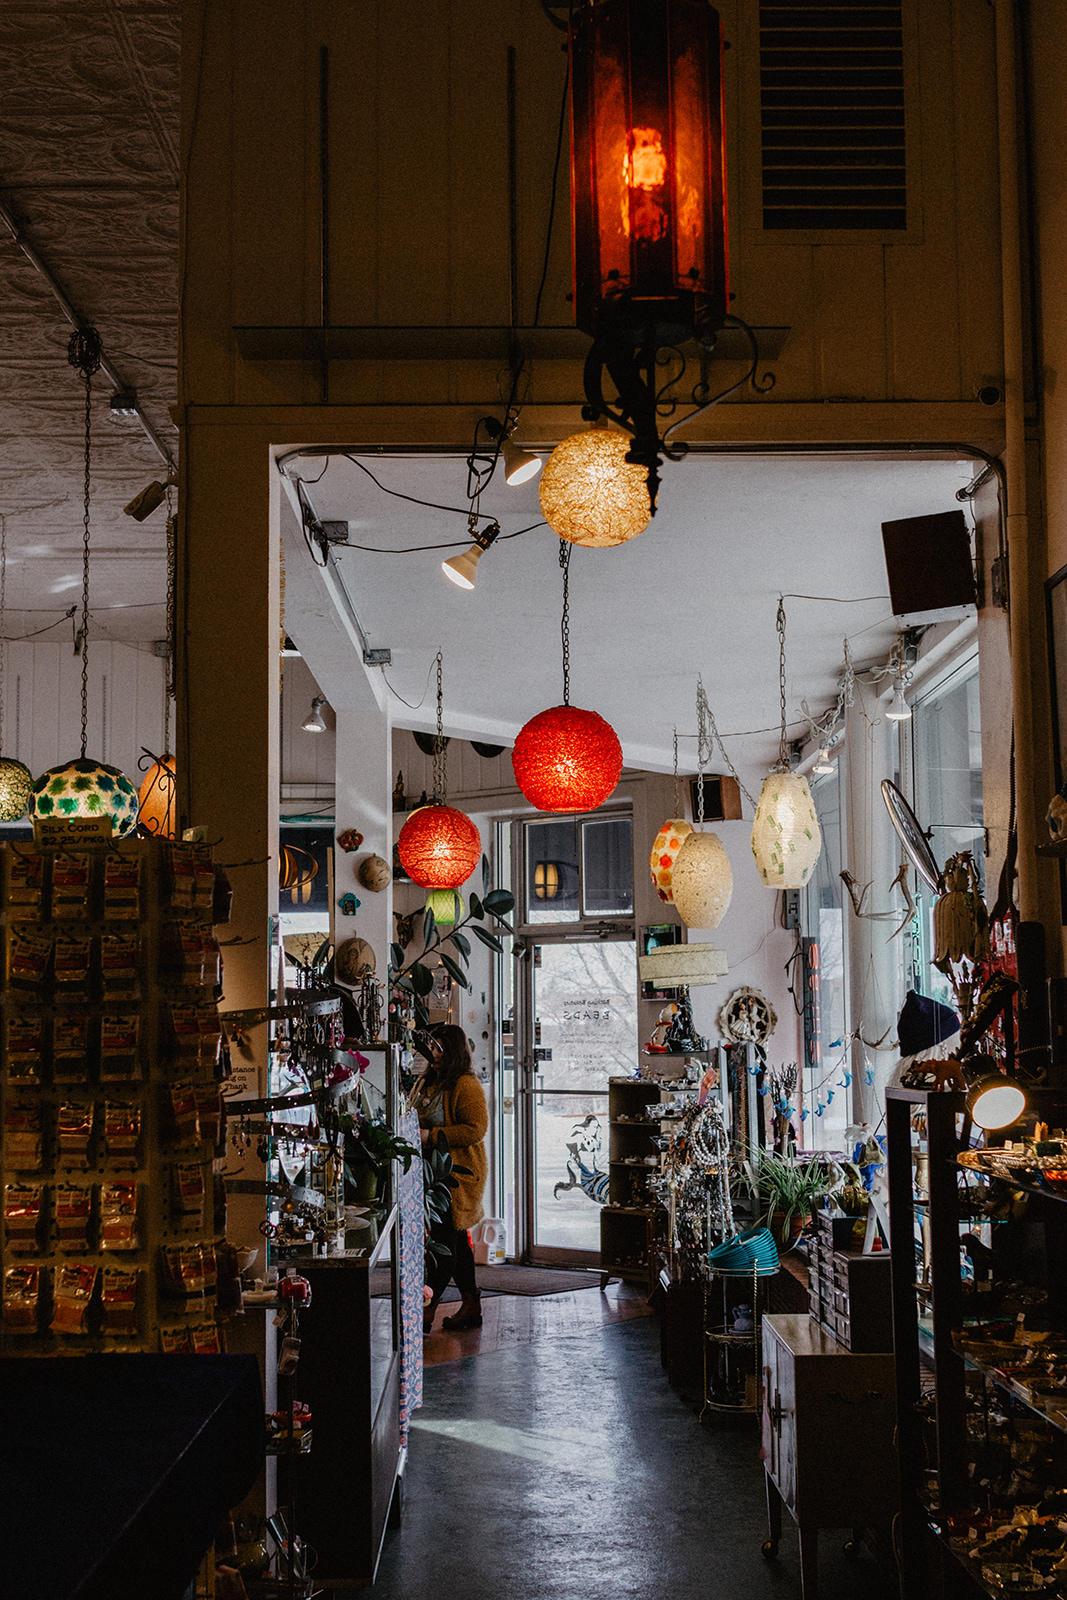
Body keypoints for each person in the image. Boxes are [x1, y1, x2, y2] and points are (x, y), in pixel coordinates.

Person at [414, 1024, 488, 1333]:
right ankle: (471, 1304)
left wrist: (430, 1136)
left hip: (458, 1173)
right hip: (434, 1173)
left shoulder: (466, 1085)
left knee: (443, 1244)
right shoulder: (428, 1080)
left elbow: (476, 1129)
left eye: (439, 1048)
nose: (433, 1053)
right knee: (456, 1238)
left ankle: (426, 1309)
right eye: (432, 1048)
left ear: (453, 1052)